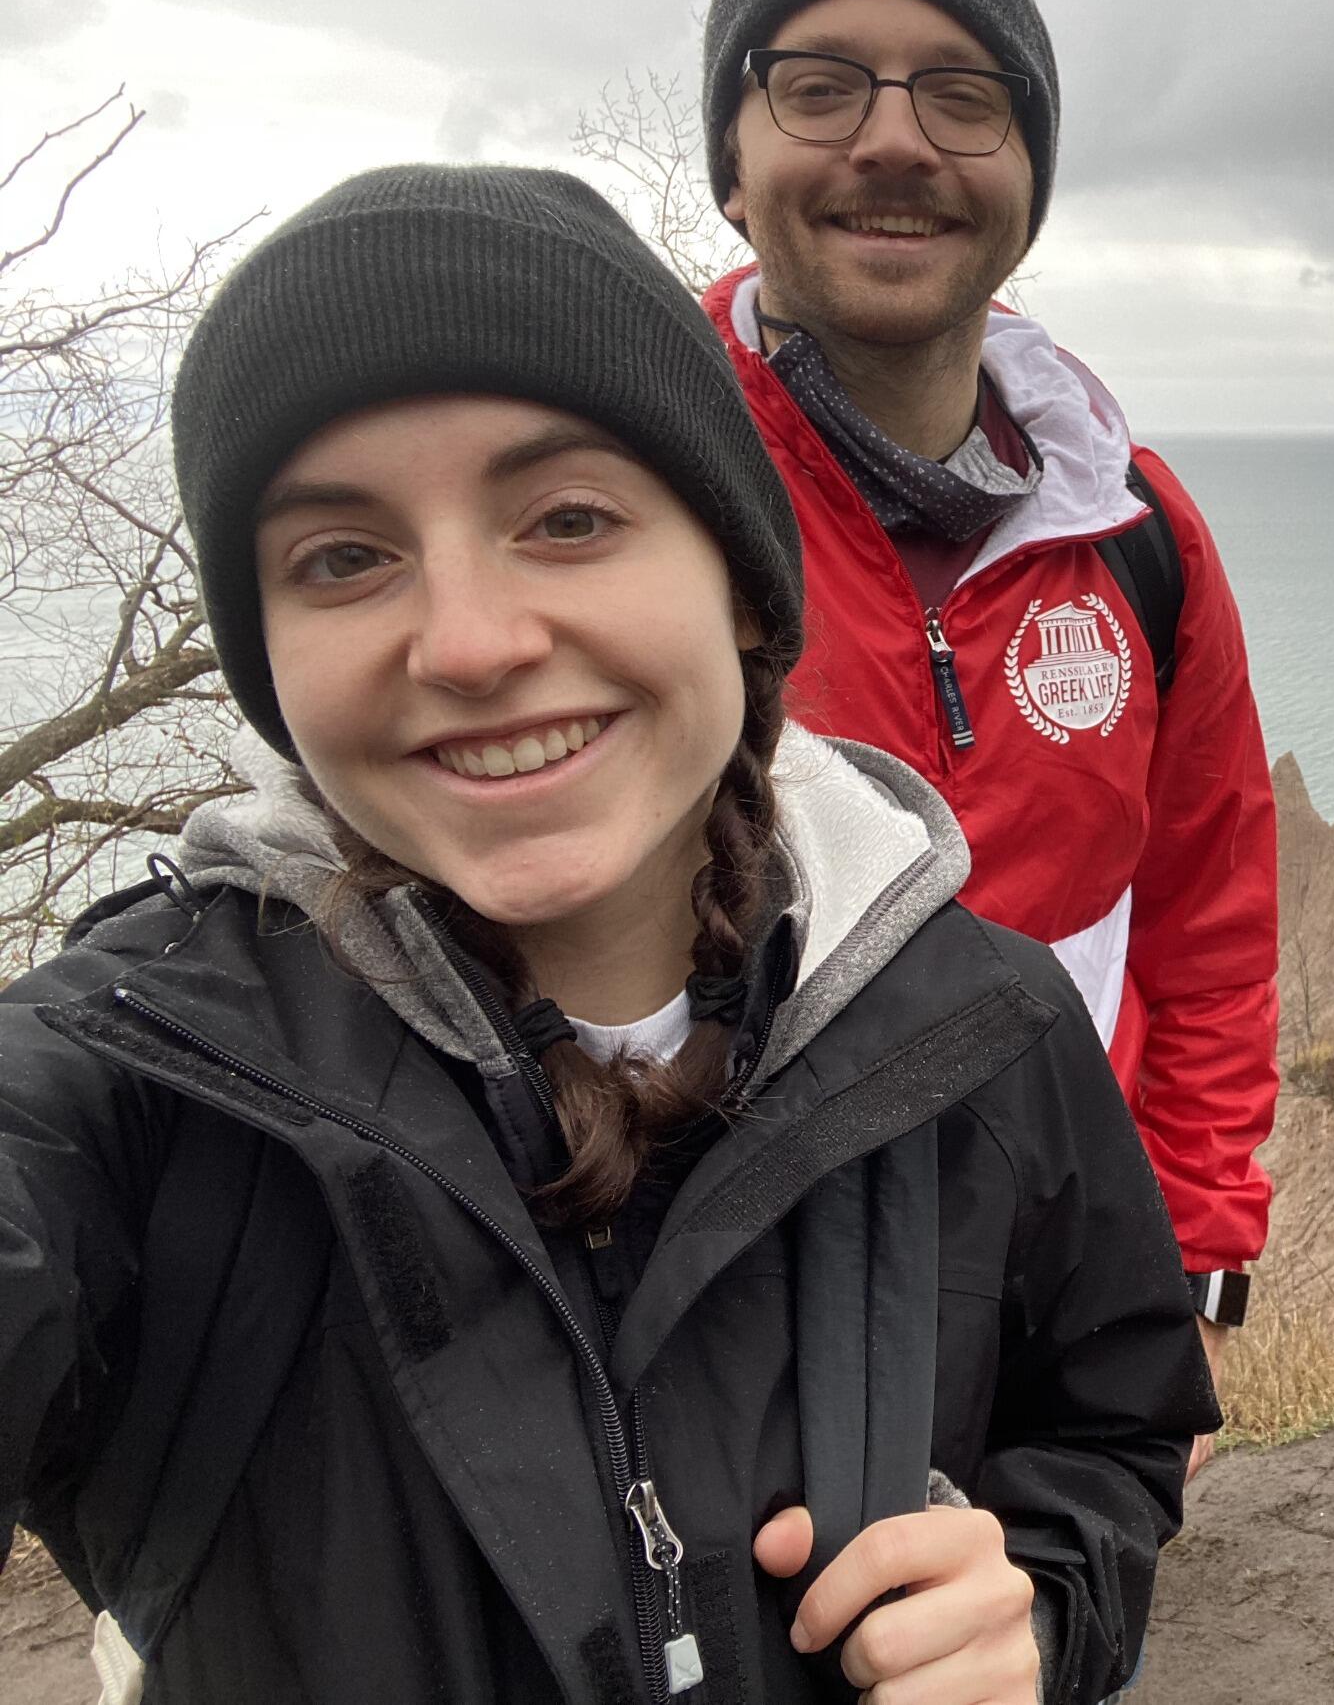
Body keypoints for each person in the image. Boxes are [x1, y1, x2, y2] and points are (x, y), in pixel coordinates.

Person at [0, 164, 1217, 1705]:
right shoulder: (147, 1080)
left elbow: (1108, 1432)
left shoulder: (981, 1027)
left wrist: (1037, 1615)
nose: (471, 642)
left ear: (742, 589)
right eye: (343, 558)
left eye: (568, 518)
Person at [696, 0, 1281, 1460]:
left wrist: (1188, 1263)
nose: (897, 143)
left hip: (1050, 1296)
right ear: (733, 169)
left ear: (1027, 180)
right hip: (708, 1331)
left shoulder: (1135, 530)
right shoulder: (630, 511)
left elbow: (1207, 911)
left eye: (966, 96)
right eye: (820, 86)